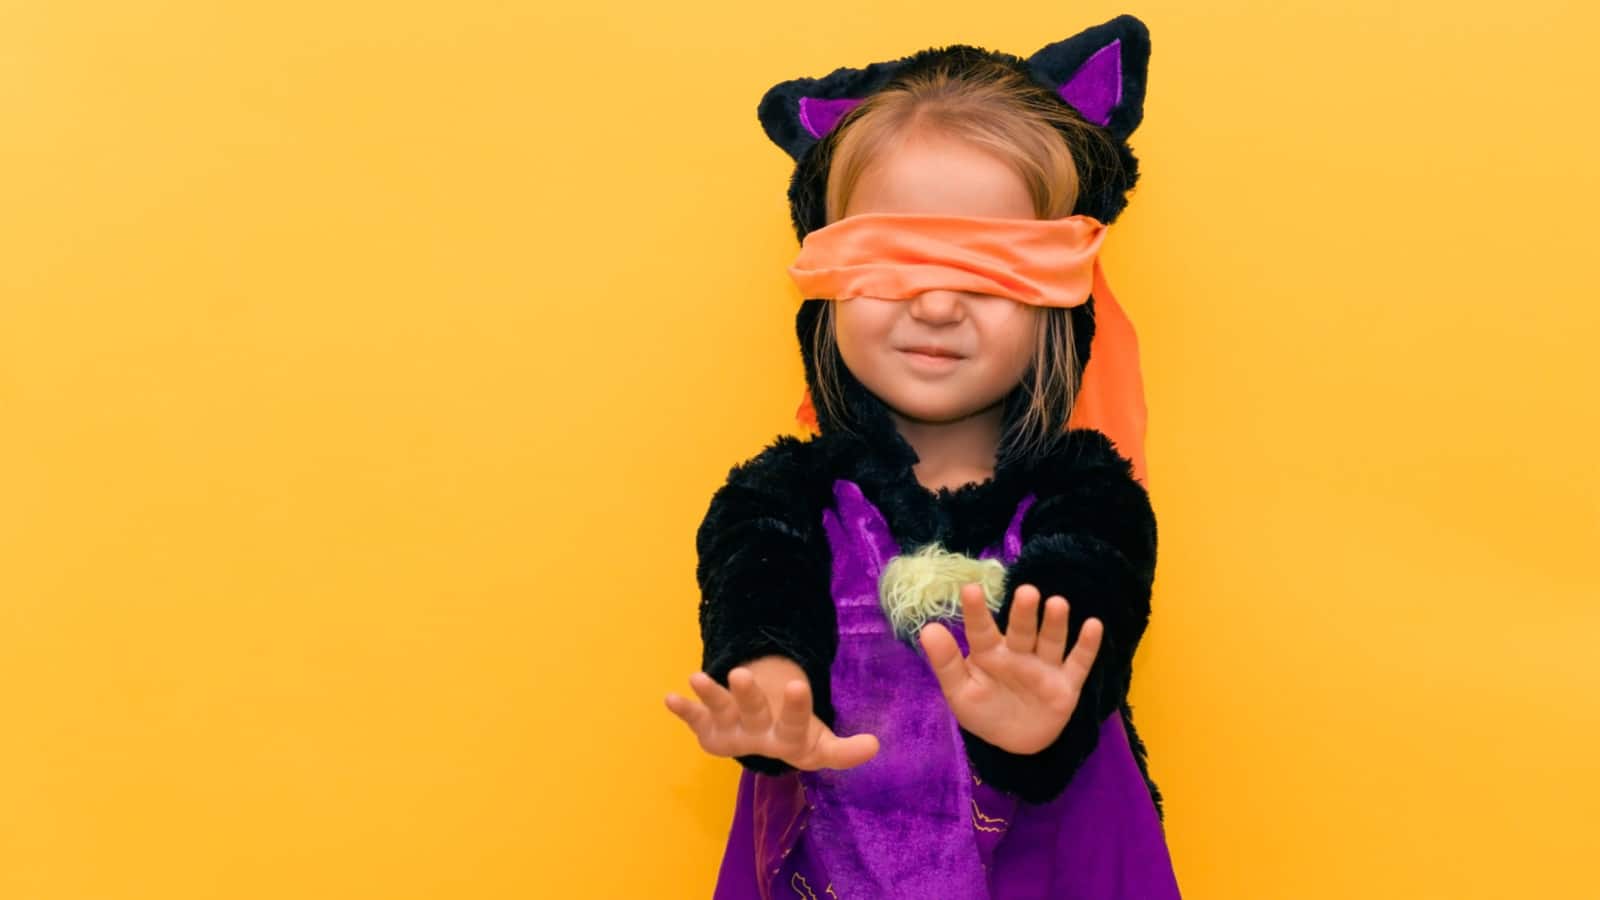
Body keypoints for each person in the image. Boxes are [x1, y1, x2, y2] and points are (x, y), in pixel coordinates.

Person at [664, 15, 1180, 898]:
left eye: (986, 271)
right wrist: (769, 692)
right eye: (896, 260)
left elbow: (1092, 597)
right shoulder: (780, 498)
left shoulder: (1091, 500)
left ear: (1062, 299)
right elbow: (761, 596)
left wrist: (1043, 714)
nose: (938, 302)